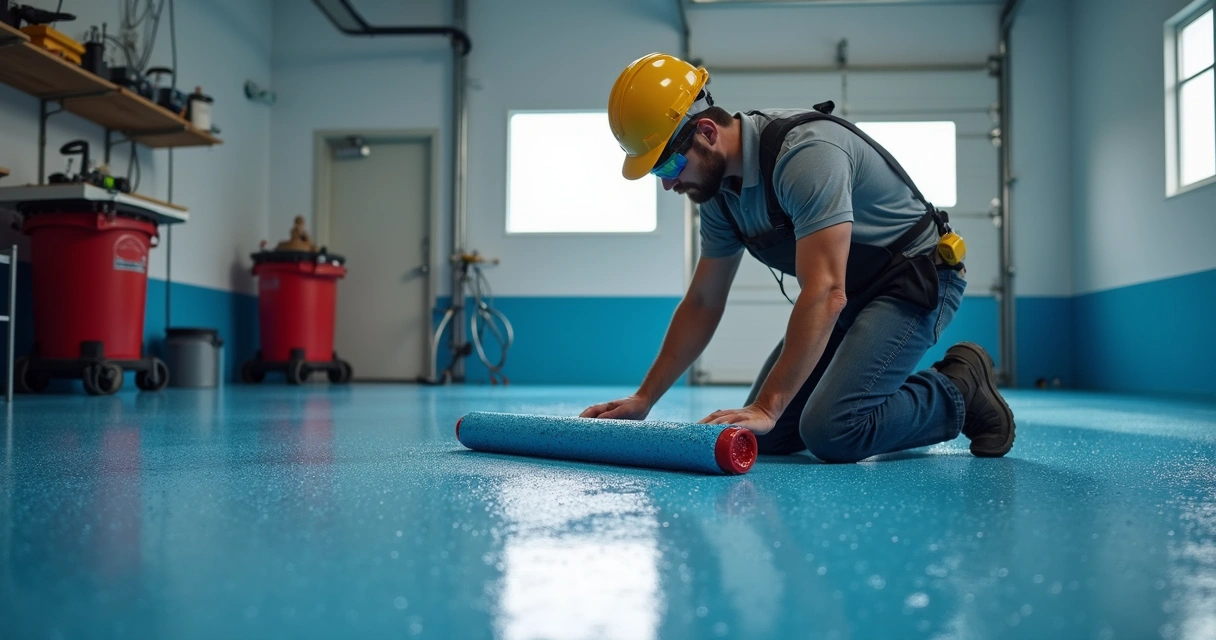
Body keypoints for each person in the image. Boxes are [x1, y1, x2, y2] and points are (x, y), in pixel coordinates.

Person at [580, 53, 1016, 462]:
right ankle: (873, 389)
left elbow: (826, 292)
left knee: (833, 430)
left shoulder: (804, 155)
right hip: (853, 294)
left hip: (916, 279)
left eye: (668, 167)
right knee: (767, 437)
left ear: (707, 134)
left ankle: (959, 386)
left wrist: (768, 404)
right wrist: (645, 397)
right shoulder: (719, 197)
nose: (668, 186)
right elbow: (702, 302)